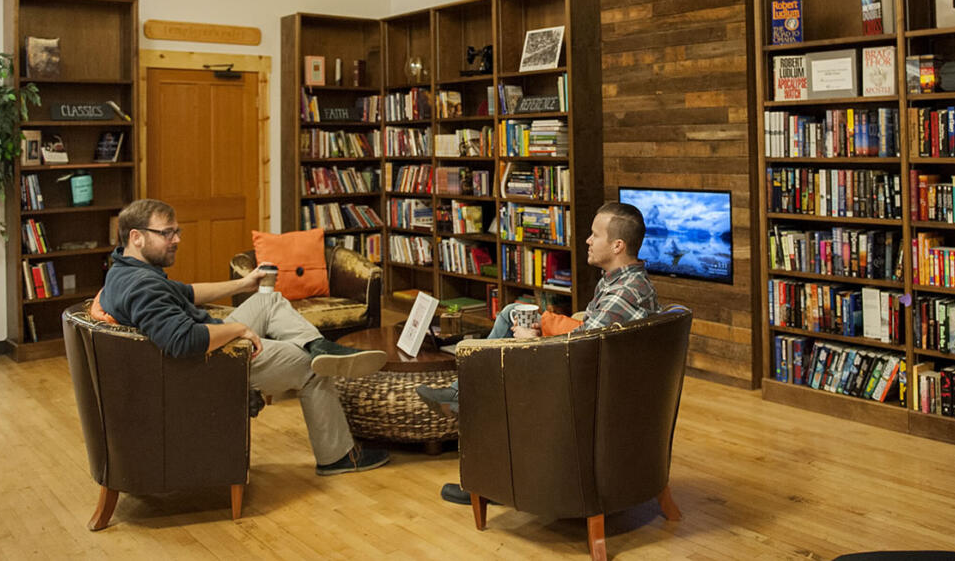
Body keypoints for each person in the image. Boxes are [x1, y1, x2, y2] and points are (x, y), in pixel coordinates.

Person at [97, 198, 390, 476]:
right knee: (310, 368)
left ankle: (318, 345)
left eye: (177, 231)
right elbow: (183, 341)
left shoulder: (126, 270)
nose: (177, 240)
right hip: (211, 362)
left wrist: (243, 283)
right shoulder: (142, 287)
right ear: (136, 236)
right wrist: (238, 330)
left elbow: (186, 293)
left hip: (206, 345)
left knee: (268, 301)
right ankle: (337, 457)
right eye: (167, 233)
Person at [417, 201, 660, 504]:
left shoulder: (623, 293)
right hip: (602, 382)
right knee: (509, 320)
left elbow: (582, 347)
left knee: (493, 386)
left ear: (617, 246)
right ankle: (462, 395)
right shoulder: (624, 281)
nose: (587, 240)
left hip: (589, 394)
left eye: (595, 235)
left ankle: (492, 480)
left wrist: (531, 342)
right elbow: (593, 334)